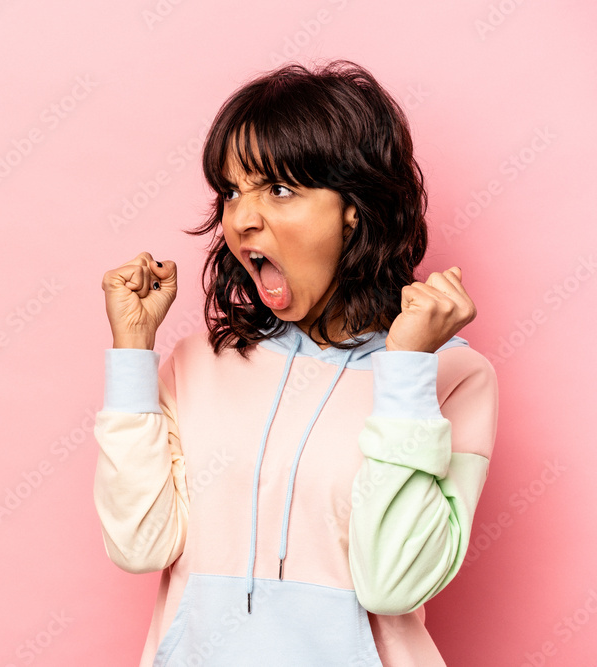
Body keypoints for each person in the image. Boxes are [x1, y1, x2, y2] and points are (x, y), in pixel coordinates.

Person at [93, 60, 500, 666]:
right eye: (232, 191)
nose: (242, 219)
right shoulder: (196, 364)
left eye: (279, 190)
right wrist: (132, 354)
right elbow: (139, 545)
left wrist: (408, 370)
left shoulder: (453, 377)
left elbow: (393, 585)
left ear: (354, 209)